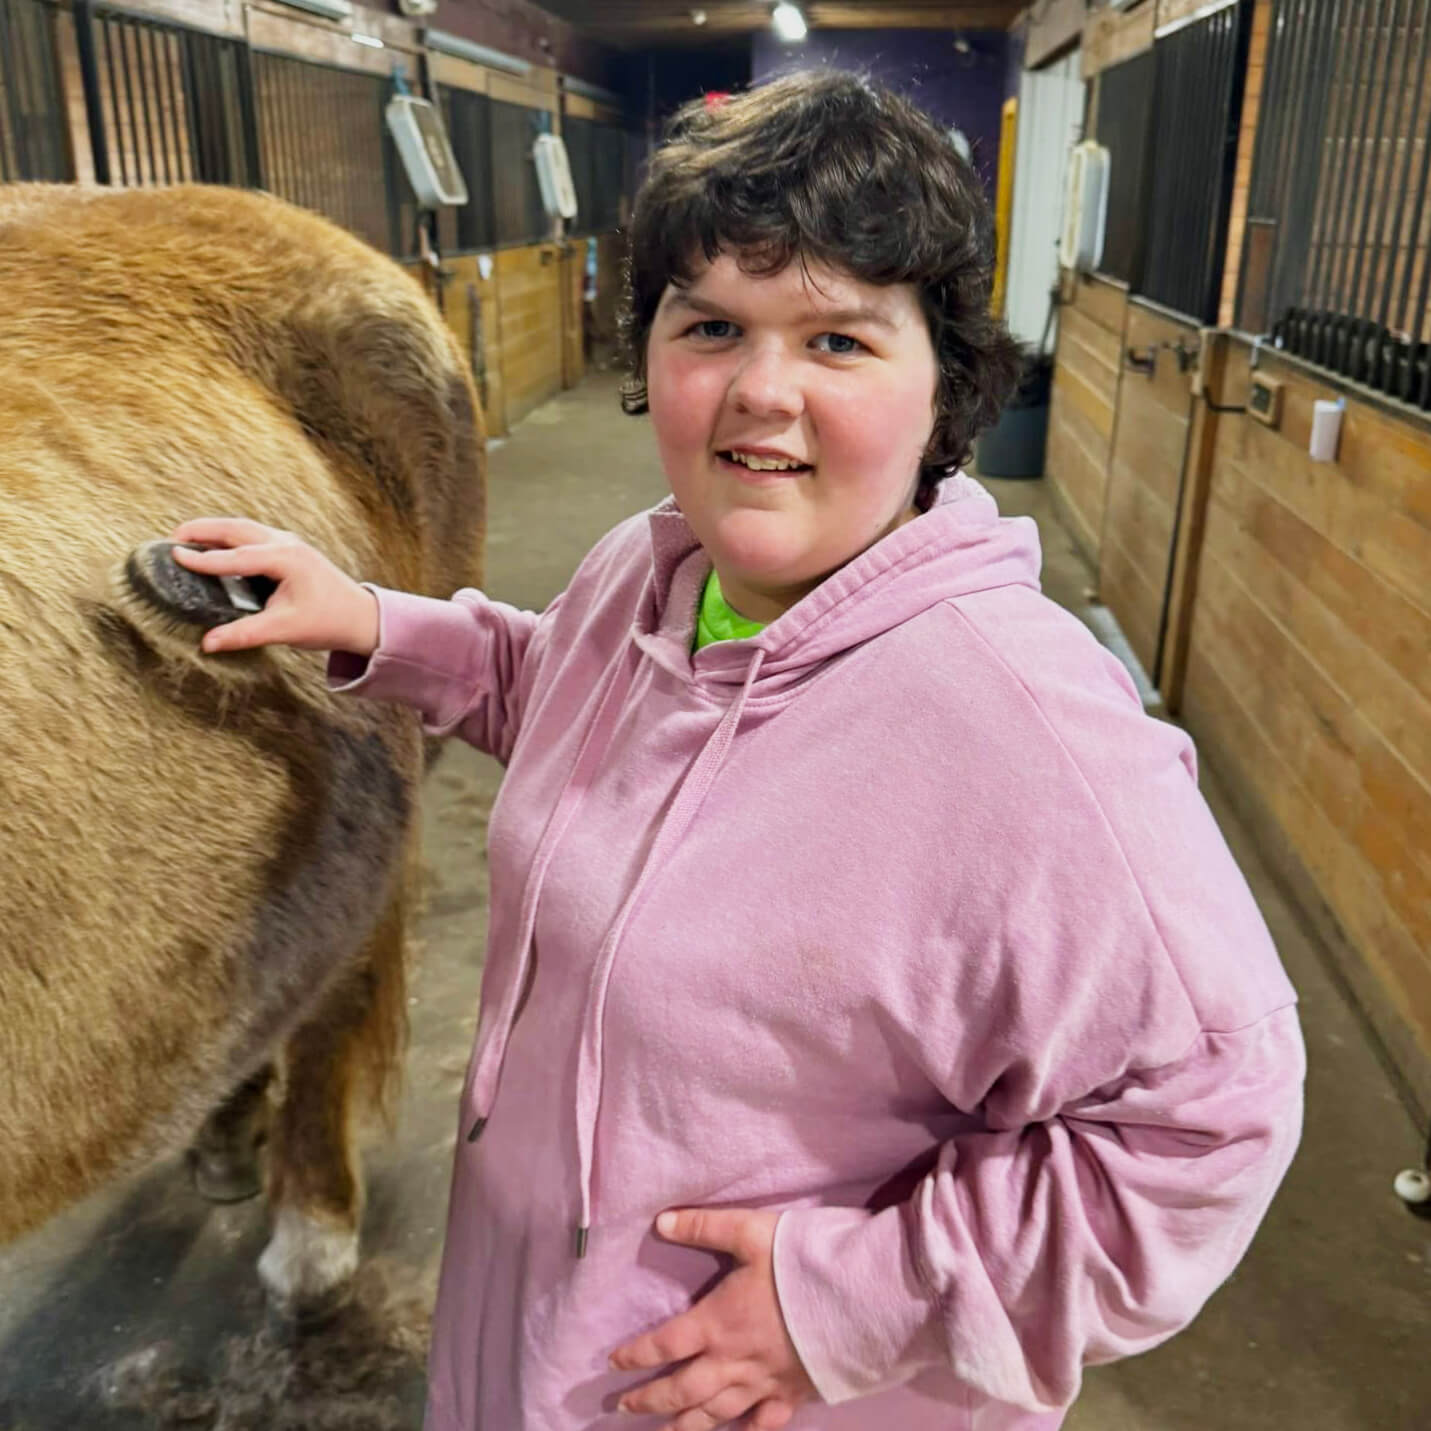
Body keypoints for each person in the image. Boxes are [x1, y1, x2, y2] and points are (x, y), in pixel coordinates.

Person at [170, 69, 1304, 1431]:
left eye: (838, 339)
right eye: (712, 325)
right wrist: (372, 622)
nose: (762, 392)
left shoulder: (1025, 735)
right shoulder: (651, 572)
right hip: (534, 1338)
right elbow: (580, 711)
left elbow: (1214, 1121)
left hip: (754, 1394)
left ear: (945, 380)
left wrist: (847, 1308)